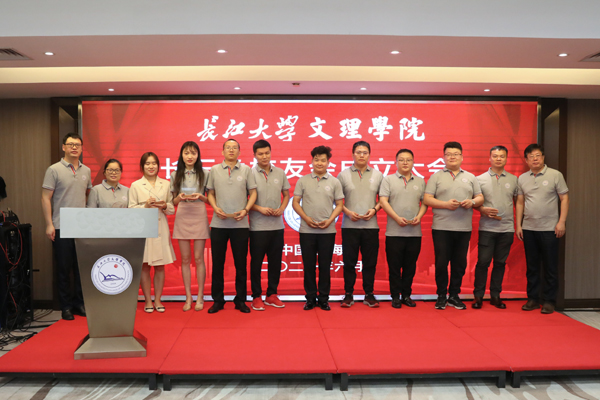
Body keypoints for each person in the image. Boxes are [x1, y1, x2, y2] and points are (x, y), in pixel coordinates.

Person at [424, 141, 483, 310]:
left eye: (455, 154)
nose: (452, 157)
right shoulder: (436, 176)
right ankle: (441, 296)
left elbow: (480, 198)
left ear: (462, 157)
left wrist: (472, 202)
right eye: (448, 154)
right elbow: (427, 199)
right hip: (441, 228)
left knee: (459, 264)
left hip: (463, 228)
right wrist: (445, 205)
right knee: (441, 263)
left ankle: (454, 295)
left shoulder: (471, 177)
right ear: (443, 157)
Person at [41, 133, 92, 320]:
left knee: (81, 268)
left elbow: (87, 195)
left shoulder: (86, 170)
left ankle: (79, 303)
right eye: (70, 144)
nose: (74, 147)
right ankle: (66, 306)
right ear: (64, 147)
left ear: (81, 148)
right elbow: (45, 198)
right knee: (63, 268)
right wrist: (49, 224)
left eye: (77, 144)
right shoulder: (54, 169)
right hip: (61, 225)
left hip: (81, 226)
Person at [516, 144, 569, 314]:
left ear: (543, 157)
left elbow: (564, 199)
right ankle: (532, 299)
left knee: (550, 266)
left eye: (538, 155)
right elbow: (520, 202)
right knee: (532, 266)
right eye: (531, 156)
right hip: (529, 228)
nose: (535, 159)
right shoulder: (522, 178)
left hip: (550, 229)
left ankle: (549, 301)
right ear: (526, 160)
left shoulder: (555, 175)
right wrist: (518, 225)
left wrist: (561, 222)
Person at [206, 139, 257, 314]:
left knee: (241, 265)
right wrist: (215, 208)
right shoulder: (214, 170)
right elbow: (210, 193)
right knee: (217, 265)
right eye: (228, 148)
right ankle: (218, 300)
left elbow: (253, 193)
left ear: (239, 152)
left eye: (235, 148)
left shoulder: (246, 170)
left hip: (240, 224)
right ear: (222, 152)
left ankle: (240, 300)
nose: (231, 150)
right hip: (218, 224)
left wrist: (246, 210)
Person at [293, 145, 344, 311]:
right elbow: (295, 203)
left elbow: (340, 204)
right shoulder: (303, 180)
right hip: (307, 230)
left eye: (323, 160)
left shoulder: (334, 182)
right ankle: (310, 298)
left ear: (328, 162)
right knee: (308, 266)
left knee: (325, 266)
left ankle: (323, 299)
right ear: (312, 161)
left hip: (327, 231)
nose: (319, 163)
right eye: (316, 160)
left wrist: (330, 220)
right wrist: (306, 219)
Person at [337, 140, 383, 308]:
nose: (361, 155)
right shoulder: (343, 175)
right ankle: (348, 294)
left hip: (371, 226)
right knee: (349, 262)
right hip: (350, 226)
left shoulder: (378, 175)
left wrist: (374, 209)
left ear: (369, 155)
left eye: (365, 152)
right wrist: (348, 212)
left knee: (370, 262)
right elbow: (337, 200)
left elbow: (383, 199)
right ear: (352, 154)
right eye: (358, 152)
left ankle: (369, 294)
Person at [128, 152, 176, 313]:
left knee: (160, 266)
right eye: (147, 163)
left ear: (158, 166)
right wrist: (146, 206)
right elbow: (131, 210)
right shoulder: (136, 185)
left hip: (161, 227)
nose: (151, 166)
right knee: (145, 266)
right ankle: (148, 300)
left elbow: (171, 208)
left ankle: (158, 300)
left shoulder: (166, 184)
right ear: (142, 167)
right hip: (143, 228)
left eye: (154, 163)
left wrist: (164, 206)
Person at [379, 149, 427, 308]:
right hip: (394, 232)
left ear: (413, 162)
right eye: (401, 160)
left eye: (408, 160)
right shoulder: (388, 180)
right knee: (394, 267)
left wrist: (419, 216)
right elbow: (383, 201)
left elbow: (425, 202)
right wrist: (396, 218)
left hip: (414, 233)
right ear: (396, 162)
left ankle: (406, 295)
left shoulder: (420, 181)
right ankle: (395, 296)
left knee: (410, 267)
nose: (405, 163)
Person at [472, 146, 518, 309]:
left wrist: (518, 224)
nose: (498, 159)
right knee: (483, 262)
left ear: (506, 159)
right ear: (489, 158)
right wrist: (482, 209)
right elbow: (473, 202)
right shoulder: (479, 179)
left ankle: (495, 295)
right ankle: (478, 296)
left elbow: (518, 203)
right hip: (487, 228)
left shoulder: (514, 179)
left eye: (502, 156)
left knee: (500, 263)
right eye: (495, 156)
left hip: (507, 229)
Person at [249, 140, 290, 310]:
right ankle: (256, 296)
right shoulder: (249, 173)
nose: (264, 156)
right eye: (260, 154)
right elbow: (244, 199)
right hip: (257, 227)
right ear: (255, 155)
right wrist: (259, 208)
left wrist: (282, 208)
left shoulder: (280, 172)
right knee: (256, 263)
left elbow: (286, 195)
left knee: (275, 262)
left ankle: (272, 294)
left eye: (267, 153)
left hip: (277, 227)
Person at [170, 142, 210, 312]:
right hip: (183, 214)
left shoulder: (205, 173)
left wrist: (201, 197)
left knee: (199, 258)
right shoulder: (175, 174)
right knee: (185, 259)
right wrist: (179, 198)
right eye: (186, 153)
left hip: (199, 214)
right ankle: (188, 297)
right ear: (181, 155)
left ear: (198, 155)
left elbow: (211, 200)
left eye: (193, 153)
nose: (190, 156)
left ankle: (200, 296)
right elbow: (172, 202)